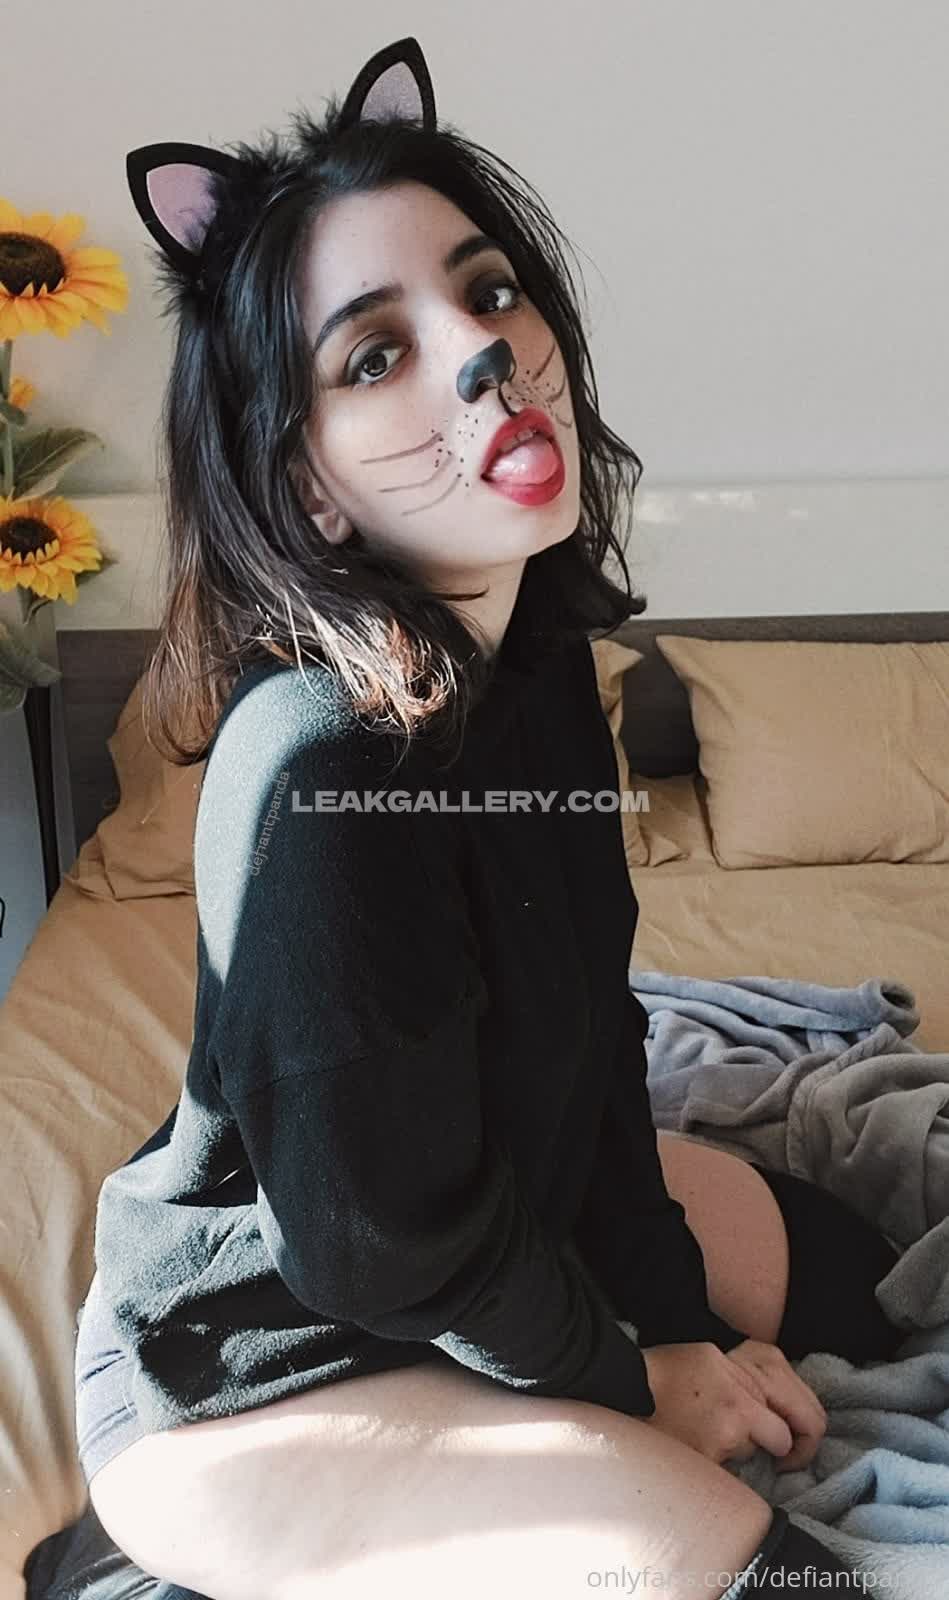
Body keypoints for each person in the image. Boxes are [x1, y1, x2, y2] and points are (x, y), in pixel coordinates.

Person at [74, 36, 903, 1600]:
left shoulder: (533, 665)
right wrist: (628, 1378)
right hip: (260, 1363)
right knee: (729, 1553)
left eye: (490, 291)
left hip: (478, 1203)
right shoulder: (316, 764)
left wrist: (671, 1314)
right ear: (309, 486)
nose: (481, 352)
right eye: (372, 354)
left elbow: (593, 1026)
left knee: (848, 1274)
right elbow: (374, 1239)